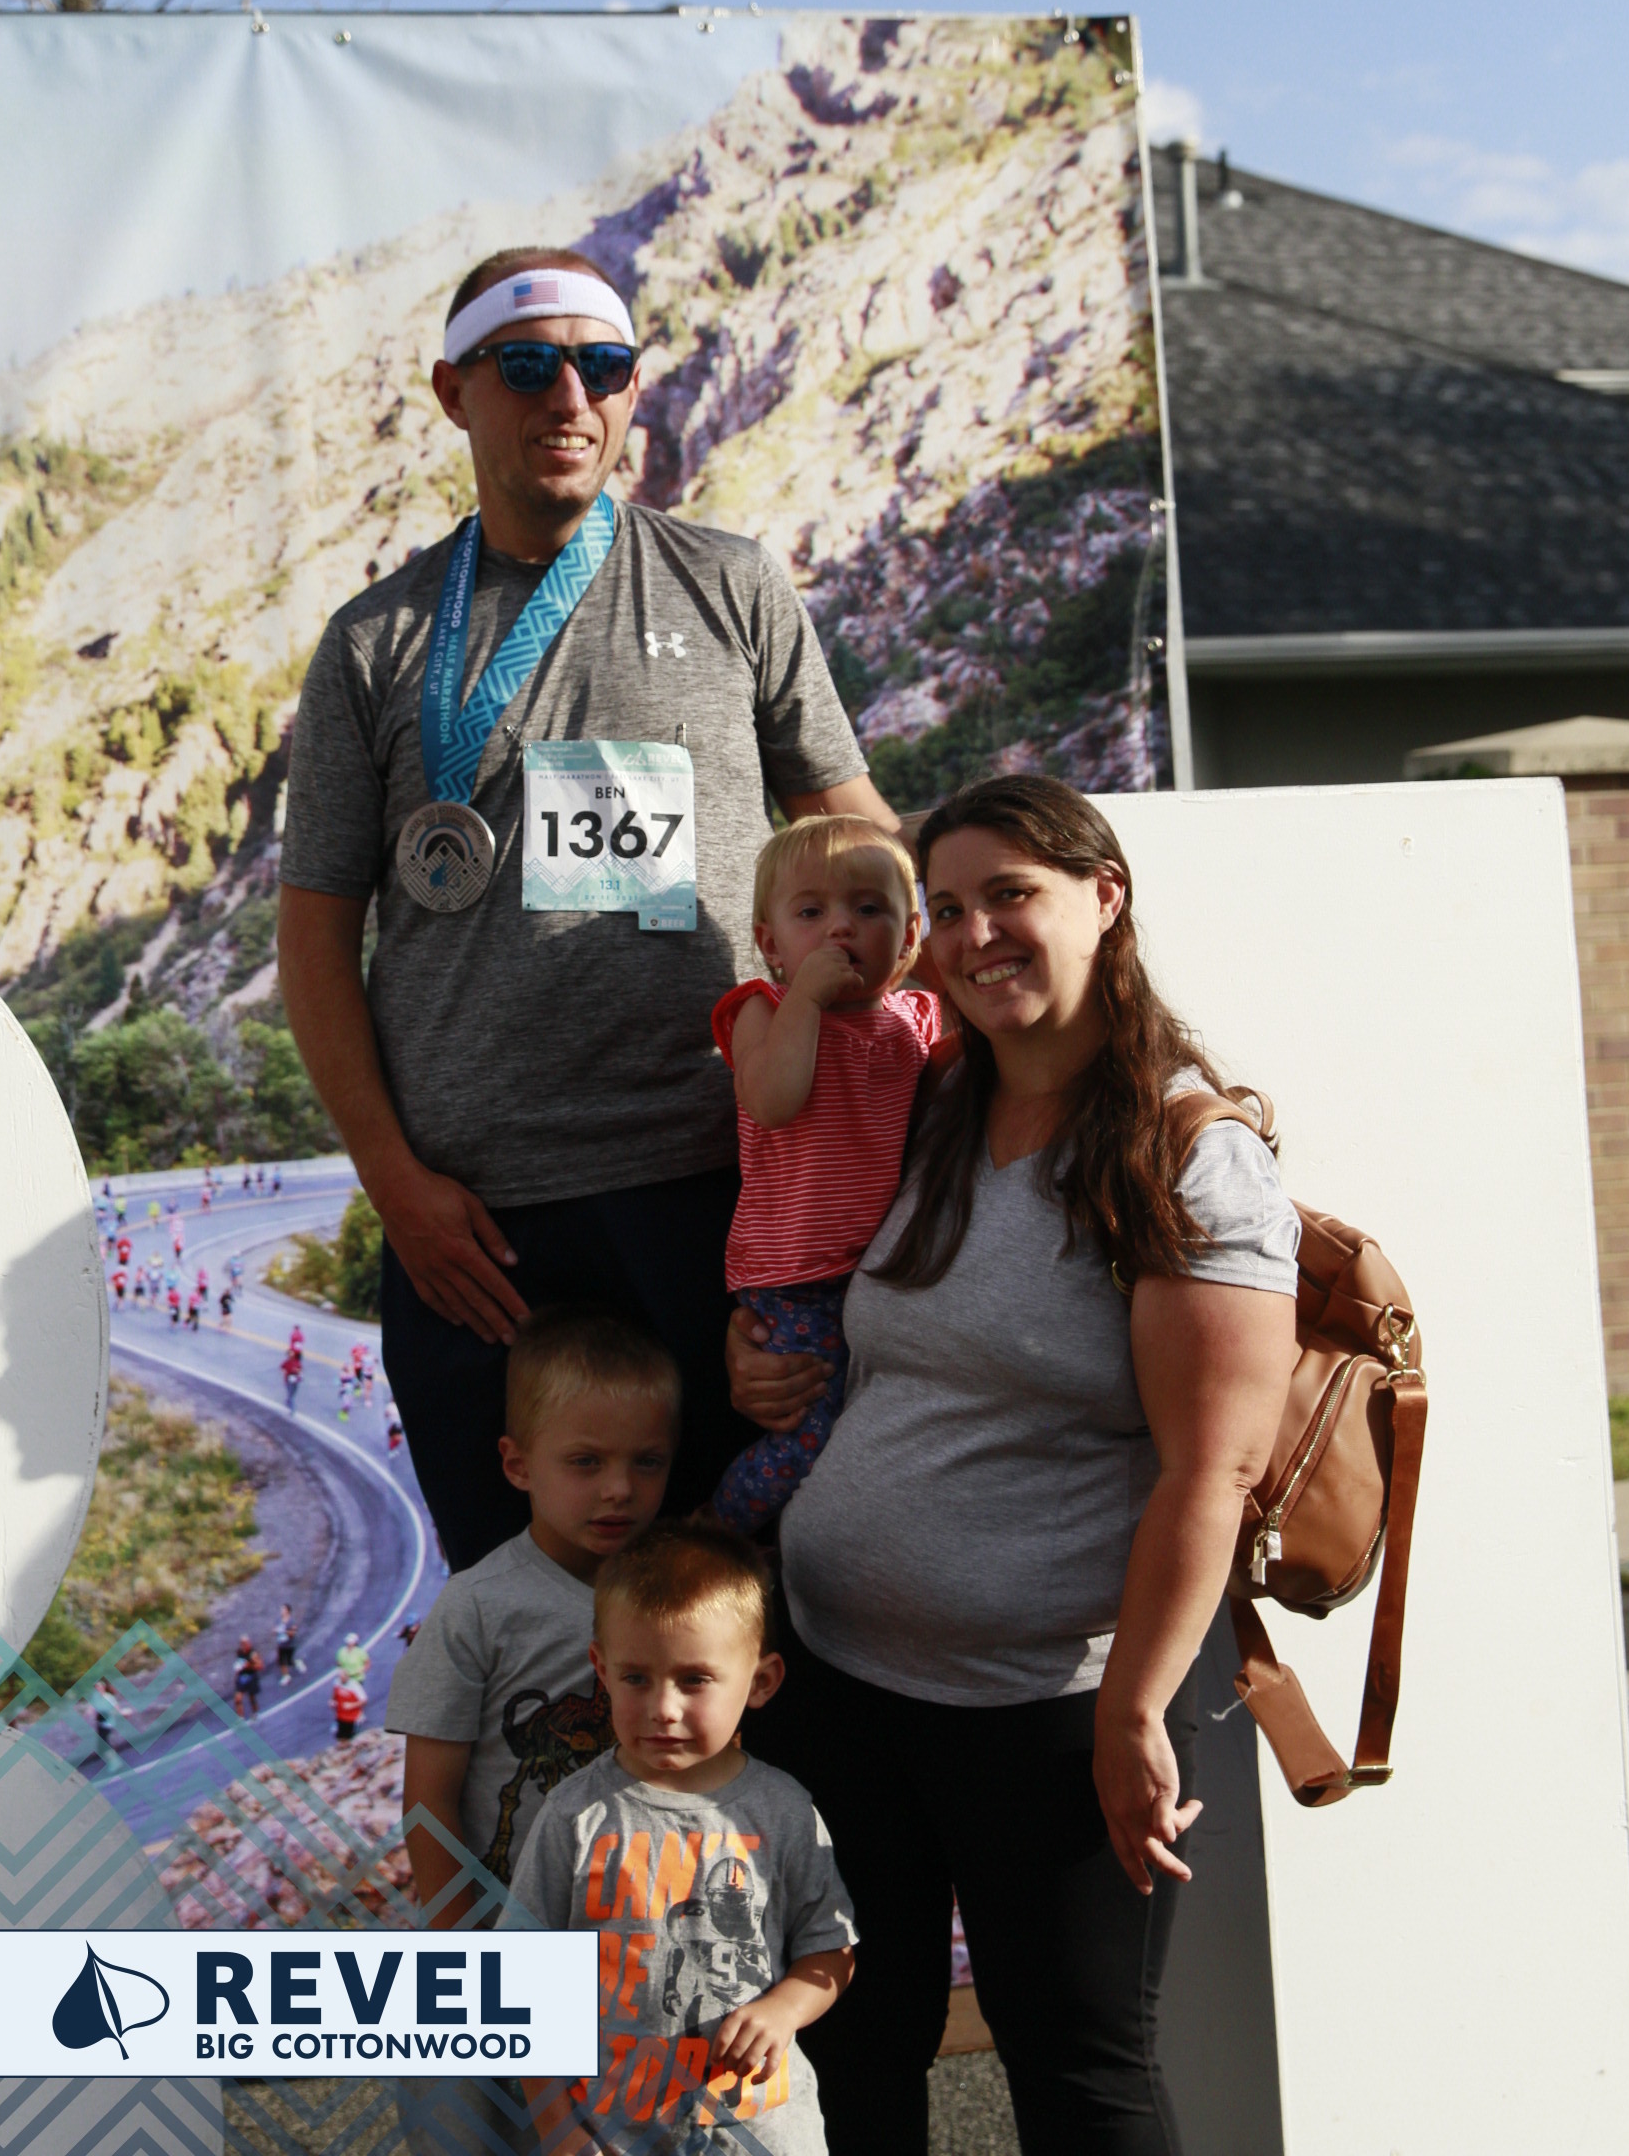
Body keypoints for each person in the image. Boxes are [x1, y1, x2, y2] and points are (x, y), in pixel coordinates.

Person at [277, 244, 899, 1575]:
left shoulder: (731, 585)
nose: (569, 396)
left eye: (603, 367)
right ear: (454, 393)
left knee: (730, 1606)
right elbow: (314, 941)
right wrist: (393, 1184)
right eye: (527, 366)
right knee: (528, 1621)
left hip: (721, 1192)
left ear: (632, 392)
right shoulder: (375, 642)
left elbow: (862, 841)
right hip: (478, 1228)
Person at [729, 775, 1301, 2156]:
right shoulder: (937, 1103)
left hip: (1045, 1712)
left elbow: (1211, 1472)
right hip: (843, 1686)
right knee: (858, 2050)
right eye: (948, 908)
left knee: (1079, 2076)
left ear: (1105, 898)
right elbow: (873, 1322)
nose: (974, 934)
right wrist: (753, 1362)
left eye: (1011, 896)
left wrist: (1138, 1712)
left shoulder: (1186, 1156)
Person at [510, 1522, 856, 2155]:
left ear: (760, 1682)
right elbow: (524, 1983)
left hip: (763, 2136)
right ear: (601, 1670)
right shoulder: (574, 1816)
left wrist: (783, 2009)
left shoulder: (784, 1809)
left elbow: (831, 1949)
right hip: (611, 2135)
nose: (663, 1707)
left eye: (694, 1679)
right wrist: (557, 2128)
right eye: (636, 1678)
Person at [389, 1308, 679, 1919]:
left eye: (647, 1461)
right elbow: (429, 1802)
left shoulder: (684, 1599)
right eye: (586, 1462)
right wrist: (459, 1945)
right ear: (518, 1464)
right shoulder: (476, 1608)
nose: (620, 1488)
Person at [709, 815, 944, 1532]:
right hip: (795, 1270)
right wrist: (807, 1000)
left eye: (868, 909)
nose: (841, 928)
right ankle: (718, 1533)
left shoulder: (916, 1018)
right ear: (770, 944)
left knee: (874, 1430)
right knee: (808, 1437)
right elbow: (772, 1101)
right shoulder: (765, 1008)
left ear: (908, 937)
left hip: (883, 1270)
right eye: (811, 913)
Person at [232, 1637, 263, 1719]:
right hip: (242, 1676)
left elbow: (260, 1666)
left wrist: (249, 1666)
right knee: (238, 1698)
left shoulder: (253, 1654)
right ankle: (240, 1718)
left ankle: (255, 1712)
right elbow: (239, 1664)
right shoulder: (239, 1652)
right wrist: (237, 1673)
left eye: (246, 1643)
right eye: (242, 1644)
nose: (244, 1645)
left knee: (251, 1697)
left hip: (251, 1676)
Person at [332, 1671, 366, 1743]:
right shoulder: (337, 1682)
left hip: (352, 1716)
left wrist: (352, 1705)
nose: (341, 1680)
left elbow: (364, 1700)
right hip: (341, 1715)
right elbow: (335, 1693)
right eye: (340, 1678)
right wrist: (332, 1700)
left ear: (347, 1677)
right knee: (338, 1736)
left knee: (351, 1738)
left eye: (343, 1678)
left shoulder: (354, 1686)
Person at [275, 1603, 304, 1687]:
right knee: (281, 1660)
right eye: (281, 1609)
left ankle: (297, 1663)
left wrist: (284, 1631)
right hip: (281, 1643)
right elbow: (275, 1629)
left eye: (283, 1609)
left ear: (287, 1611)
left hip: (289, 1644)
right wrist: (275, 1631)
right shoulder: (279, 1620)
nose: (281, 1611)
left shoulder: (291, 1621)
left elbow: (293, 1633)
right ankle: (286, 1676)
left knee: (286, 1660)